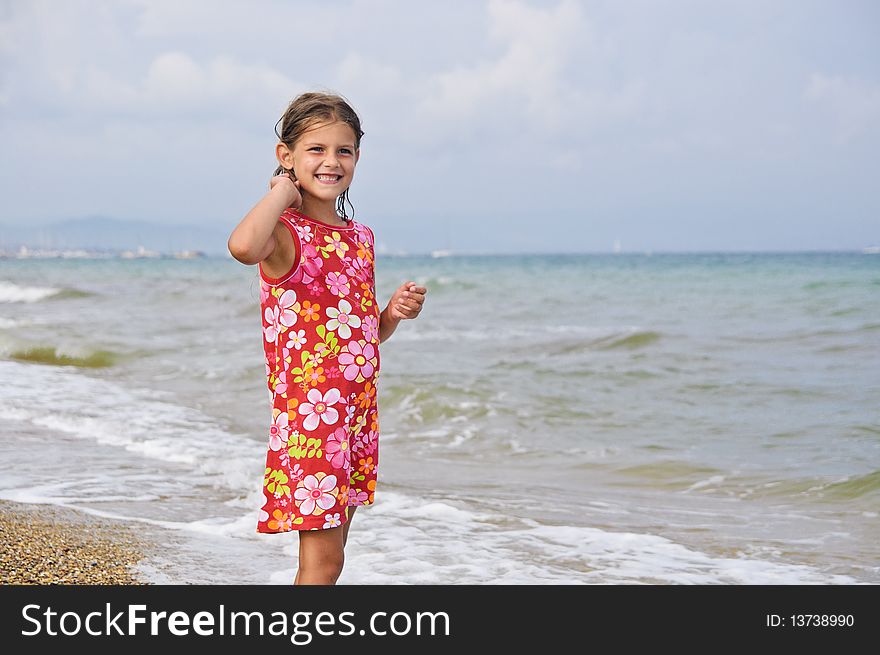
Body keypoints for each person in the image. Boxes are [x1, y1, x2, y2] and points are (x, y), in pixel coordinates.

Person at [227, 92, 427, 585]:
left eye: (344, 150)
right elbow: (242, 246)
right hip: (312, 417)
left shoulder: (360, 237)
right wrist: (281, 193)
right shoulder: (285, 233)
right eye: (316, 149)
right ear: (286, 155)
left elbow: (360, 335)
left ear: (358, 157)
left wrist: (392, 315)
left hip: (357, 417)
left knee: (330, 562)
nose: (331, 162)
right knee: (324, 564)